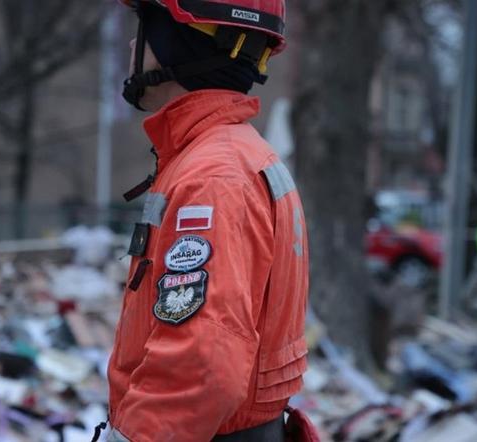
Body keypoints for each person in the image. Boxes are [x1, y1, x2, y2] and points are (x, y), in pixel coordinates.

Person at [104, 1, 310, 441]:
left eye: (146, 26)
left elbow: (200, 369)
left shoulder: (212, 178)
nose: (130, 43)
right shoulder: (235, 154)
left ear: (181, 40)